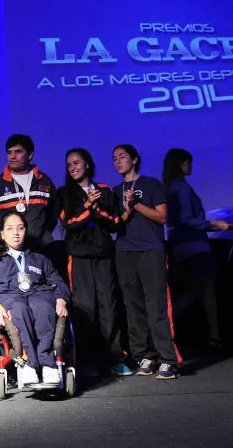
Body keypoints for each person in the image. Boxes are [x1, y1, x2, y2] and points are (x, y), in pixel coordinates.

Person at [0, 210, 71, 386]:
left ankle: (48, 365)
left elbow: (59, 283)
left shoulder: (39, 259)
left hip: (38, 294)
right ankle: (29, 365)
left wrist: (61, 299)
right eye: (9, 228)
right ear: (2, 233)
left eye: (20, 228)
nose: (15, 233)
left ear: (26, 231)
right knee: (19, 309)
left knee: (44, 307)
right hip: (8, 297)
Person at [58, 149, 131, 376]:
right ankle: (87, 361)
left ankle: (114, 358)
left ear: (88, 165)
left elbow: (115, 222)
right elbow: (69, 222)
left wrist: (97, 208)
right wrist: (88, 206)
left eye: (77, 163)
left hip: (103, 255)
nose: (73, 167)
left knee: (108, 306)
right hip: (78, 257)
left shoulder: (105, 191)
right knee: (84, 308)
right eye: (69, 164)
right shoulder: (64, 193)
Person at [112, 144, 180, 380]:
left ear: (135, 159)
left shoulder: (151, 184)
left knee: (156, 305)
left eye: (122, 156)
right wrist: (126, 211)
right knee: (133, 307)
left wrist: (137, 205)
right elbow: (115, 224)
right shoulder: (114, 190)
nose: (118, 161)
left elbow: (162, 216)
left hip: (150, 250)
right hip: (124, 252)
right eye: (114, 158)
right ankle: (145, 356)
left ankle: (167, 360)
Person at [163, 148, 230, 351]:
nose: (191, 167)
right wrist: (213, 225)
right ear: (182, 164)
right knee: (205, 289)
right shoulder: (181, 188)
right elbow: (186, 219)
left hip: (181, 245)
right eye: (189, 163)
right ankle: (214, 336)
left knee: (194, 290)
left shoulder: (171, 187)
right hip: (194, 245)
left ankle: (166, 328)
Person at [0, 134, 59, 252]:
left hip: (41, 249)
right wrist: (1, 243)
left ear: (30, 154)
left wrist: (42, 235)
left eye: (18, 151)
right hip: (10, 251)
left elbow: (52, 215)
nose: (12, 156)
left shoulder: (45, 182)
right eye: (9, 152)